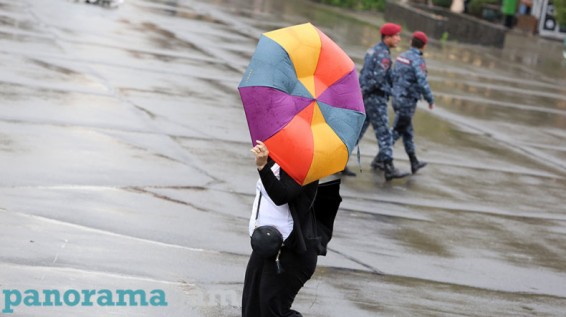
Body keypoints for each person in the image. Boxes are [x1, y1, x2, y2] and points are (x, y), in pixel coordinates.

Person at [242, 140, 342, 317]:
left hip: (293, 252)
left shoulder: (305, 163)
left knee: (272, 311)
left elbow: (282, 195)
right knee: (252, 307)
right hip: (267, 245)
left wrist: (263, 167)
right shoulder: (278, 155)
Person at [355, 22, 409, 181]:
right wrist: (367, 91)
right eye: (396, 36)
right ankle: (388, 167)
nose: (399, 39)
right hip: (375, 98)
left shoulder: (373, 50)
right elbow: (377, 79)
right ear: (387, 37)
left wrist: (361, 92)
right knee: (384, 134)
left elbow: (366, 72)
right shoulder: (383, 55)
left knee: (357, 132)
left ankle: (338, 162)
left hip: (367, 97)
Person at [391, 31, 435, 175]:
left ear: (411, 42)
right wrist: (430, 99)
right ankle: (381, 158)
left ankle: (414, 161)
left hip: (397, 98)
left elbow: (393, 75)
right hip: (407, 101)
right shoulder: (418, 60)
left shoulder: (402, 56)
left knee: (407, 132)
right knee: (396, 132)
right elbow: (422, 81)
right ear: (424, 46)